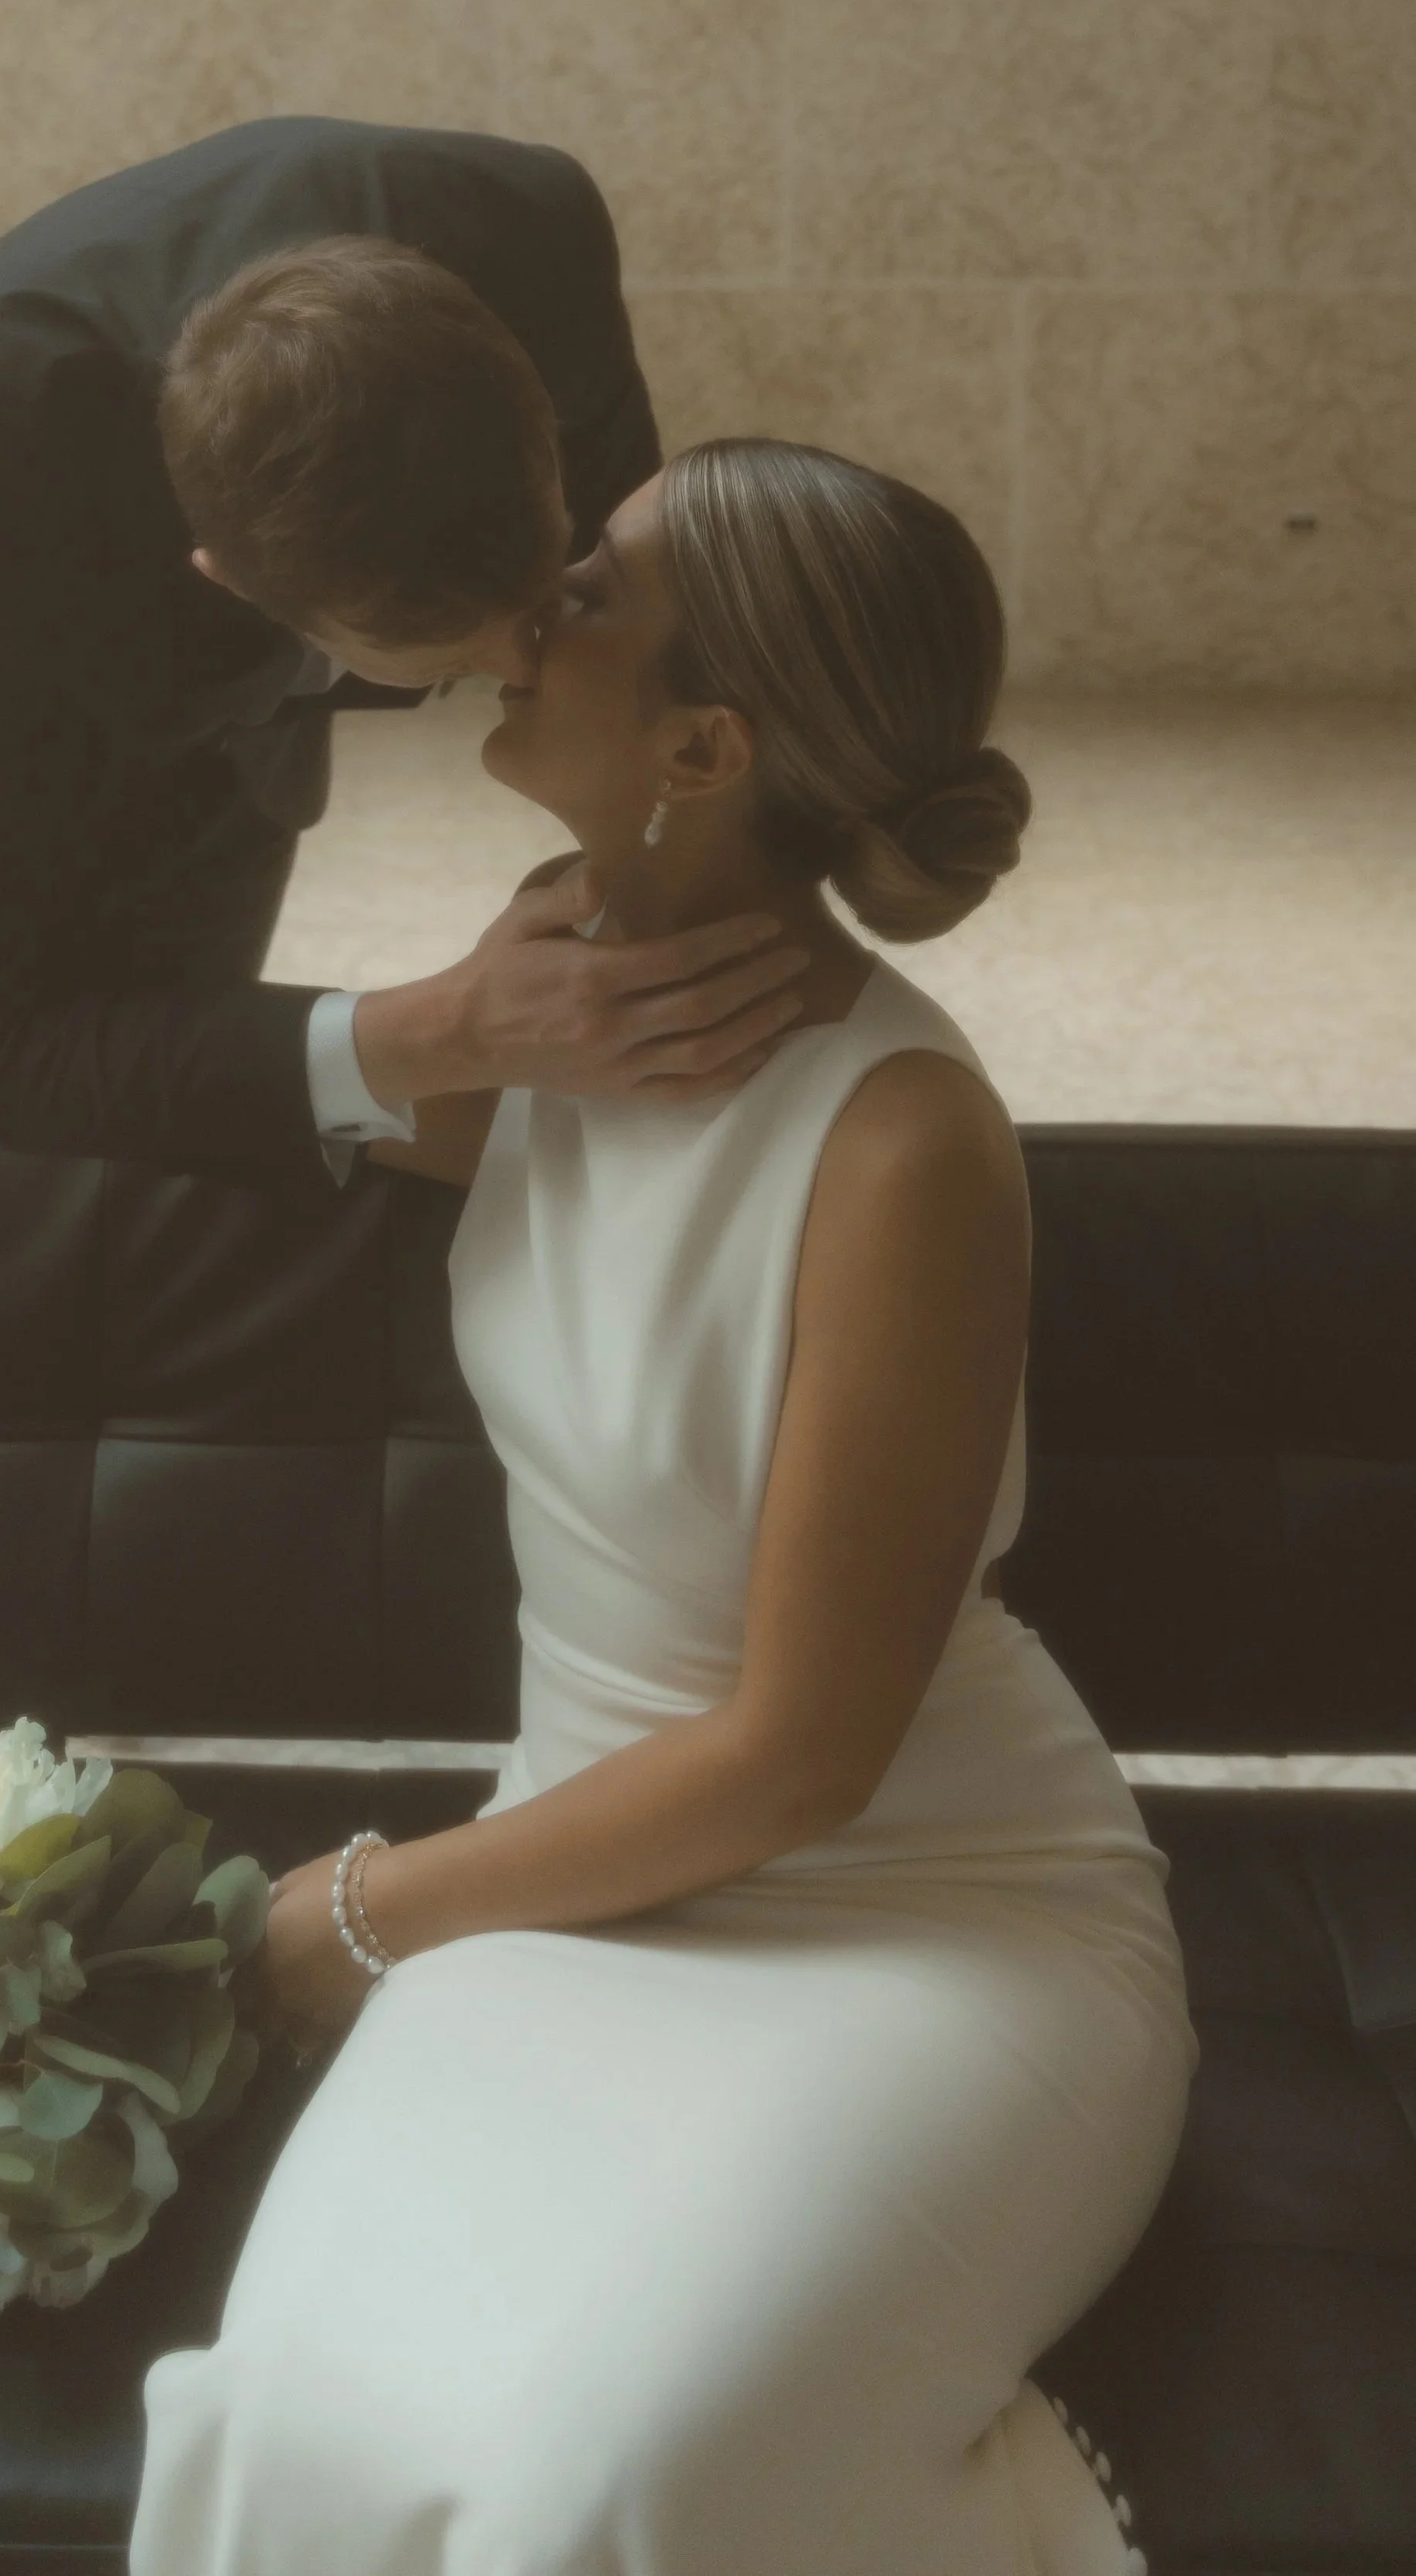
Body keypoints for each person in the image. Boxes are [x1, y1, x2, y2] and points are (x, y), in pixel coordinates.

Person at [127, 439, 1197, 2574]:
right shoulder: (550, 969)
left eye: (587, 587)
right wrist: (451, 1023)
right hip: (583, 1887)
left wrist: (356, 1908)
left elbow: (803, 1754)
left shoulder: (902, 1141)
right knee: (280, 2417)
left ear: (702, 745)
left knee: (608, 2488)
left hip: (926, 1920)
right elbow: (234, 1101)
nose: (527, 594)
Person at [0, 118, 811, 1190]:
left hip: (214, 658)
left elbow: (655, 652)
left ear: (536, 428)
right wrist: (451, 1026)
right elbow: (3, 1050)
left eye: (551, 597)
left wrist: (668, 917)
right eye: (455, 661)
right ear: (234, 589)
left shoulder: (532, 235)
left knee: (186, 1114)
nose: (529, 670)